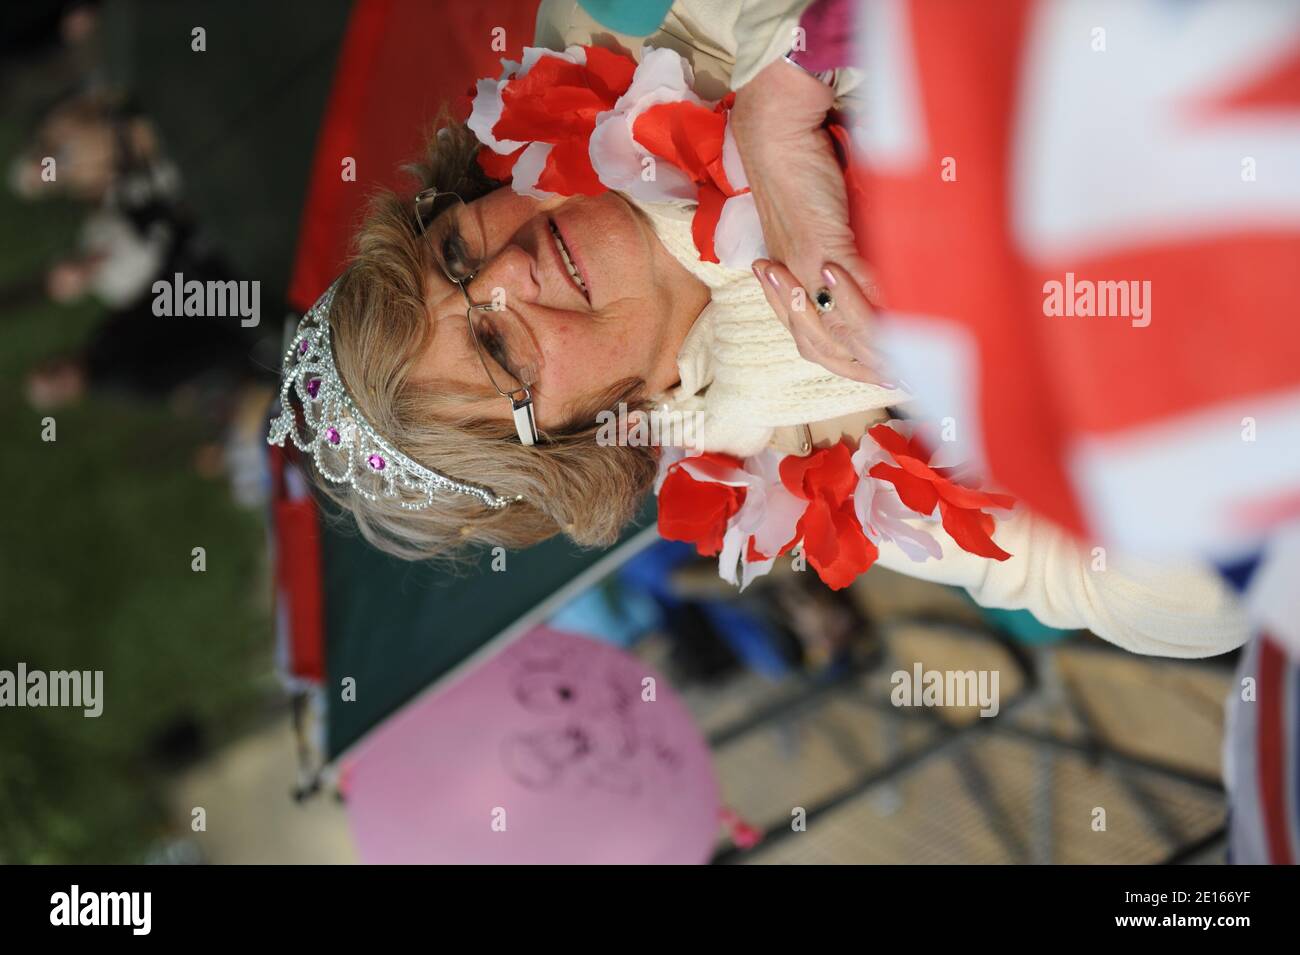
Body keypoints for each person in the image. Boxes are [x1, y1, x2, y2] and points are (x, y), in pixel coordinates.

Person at [269, 0, 1248, 658]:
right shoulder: (805, 470)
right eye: (495, 350)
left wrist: (789, 72)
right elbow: (1175, 603)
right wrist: (992, 380)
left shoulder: (620, 27)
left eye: (451, 254)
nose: (503, 274)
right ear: (580, 439)